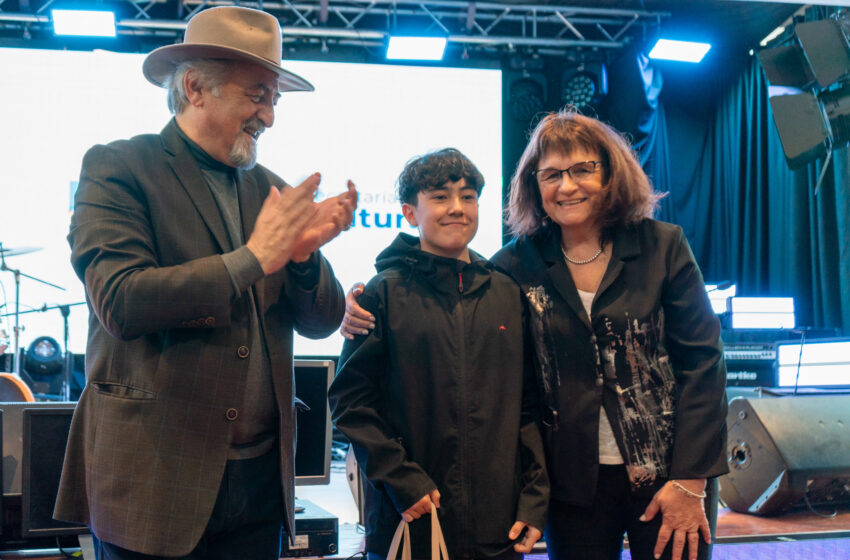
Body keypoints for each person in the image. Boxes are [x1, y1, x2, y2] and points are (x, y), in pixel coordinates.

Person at [341, 110, 728, 560]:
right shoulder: (514, 265)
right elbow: (449, 283)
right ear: (534, 185)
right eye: (551, 175)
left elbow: (703, 364)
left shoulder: (663, 246)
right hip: (574, 488)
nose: (567, 186)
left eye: (583, 169)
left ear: (610, 172)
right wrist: (357, 299)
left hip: (671, 477)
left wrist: (691, 479)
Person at [54, 7, 357, 560]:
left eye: (274, 99)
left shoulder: (271, 189)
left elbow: (323, 321)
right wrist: (253, 259)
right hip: (155, 479)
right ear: (195, 87)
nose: (269, 117)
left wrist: (304, 259)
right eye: (256, 96)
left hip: (259, 486)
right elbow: (120, 301)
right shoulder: (119, 167)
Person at [328, 148, 549, 560]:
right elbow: (351, 403)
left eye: (468, 197)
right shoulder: (382, 293)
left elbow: (527, 406)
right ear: (411, 213)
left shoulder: (505, 293)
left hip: (499, 527)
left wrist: (534, 499)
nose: (457, 209)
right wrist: (400, 480)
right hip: (412, 517)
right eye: (441, 197)